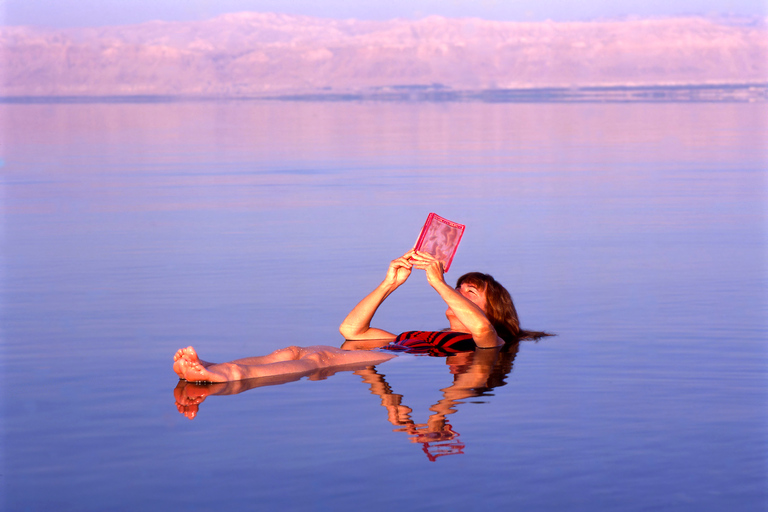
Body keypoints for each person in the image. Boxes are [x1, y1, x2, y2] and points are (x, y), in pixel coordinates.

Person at [339, 249, 551, 350]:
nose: (457, 292)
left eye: (471, 292)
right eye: (458, 288)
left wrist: (440, 284)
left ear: (493, 311)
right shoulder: (419, 335)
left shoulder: (489, 342)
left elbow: (482, 329)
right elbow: (352, 331)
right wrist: (390, 283)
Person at [173, 345, 395, 383]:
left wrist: (433, 280)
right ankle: (212, 365)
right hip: (395, 348)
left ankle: (233, 373)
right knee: (293, 351)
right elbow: (351, 329)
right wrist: (390, 282)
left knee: (320, 360)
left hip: (408, 354)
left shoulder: (430, 338)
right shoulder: (404, 335)